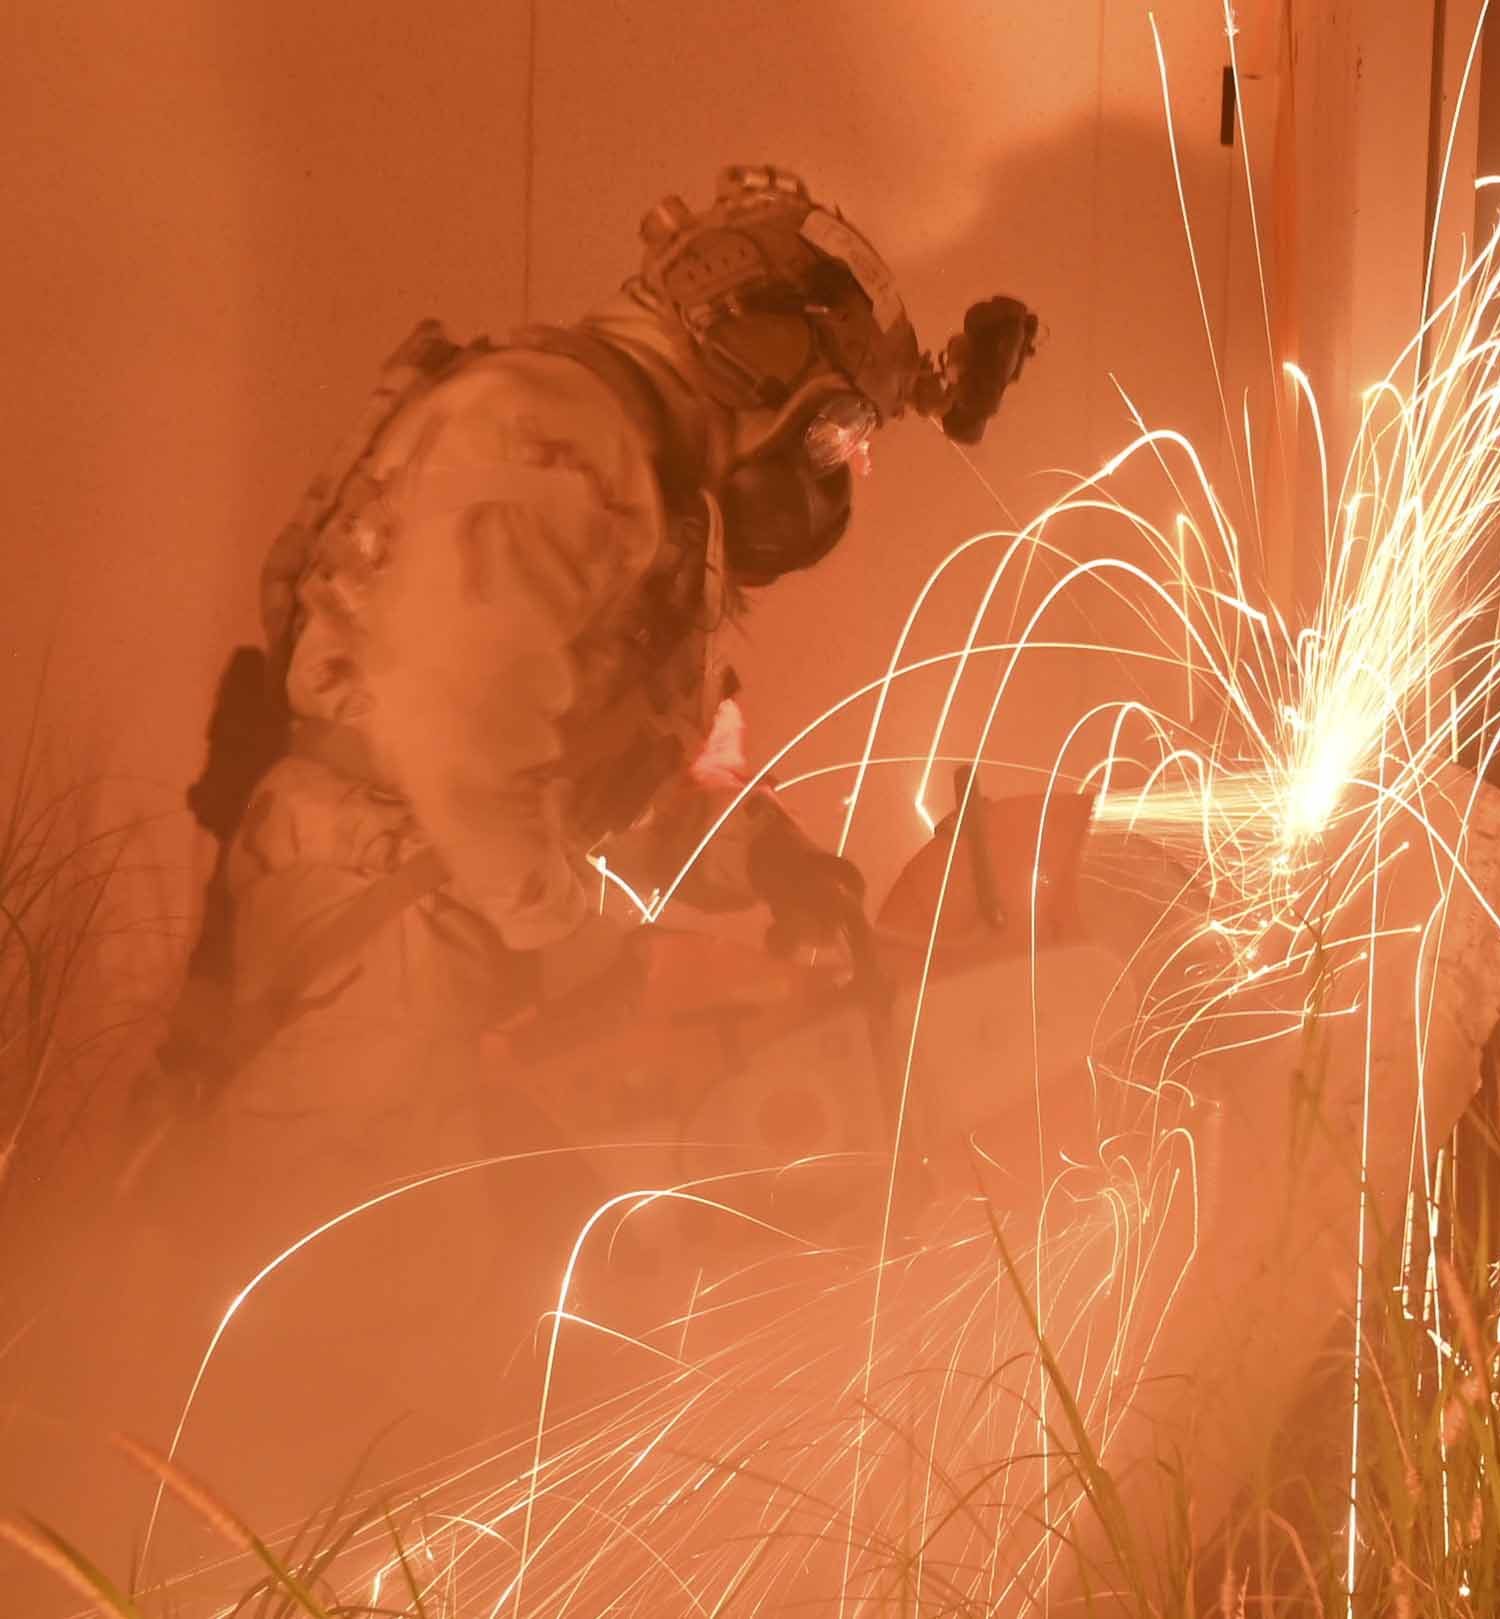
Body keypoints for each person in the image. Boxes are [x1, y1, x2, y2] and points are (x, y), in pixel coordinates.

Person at [115, 165, 1037, 1513]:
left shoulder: (622, 458)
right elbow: (458, 747)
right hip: (386, 929)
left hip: (430, 916)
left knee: (497, 1338)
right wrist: (601, 942)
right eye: (840, 425)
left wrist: (750, 855)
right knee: (353, 1369)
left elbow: (563, 769)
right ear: (759, 353)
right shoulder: (555, 433)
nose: (839, 464)